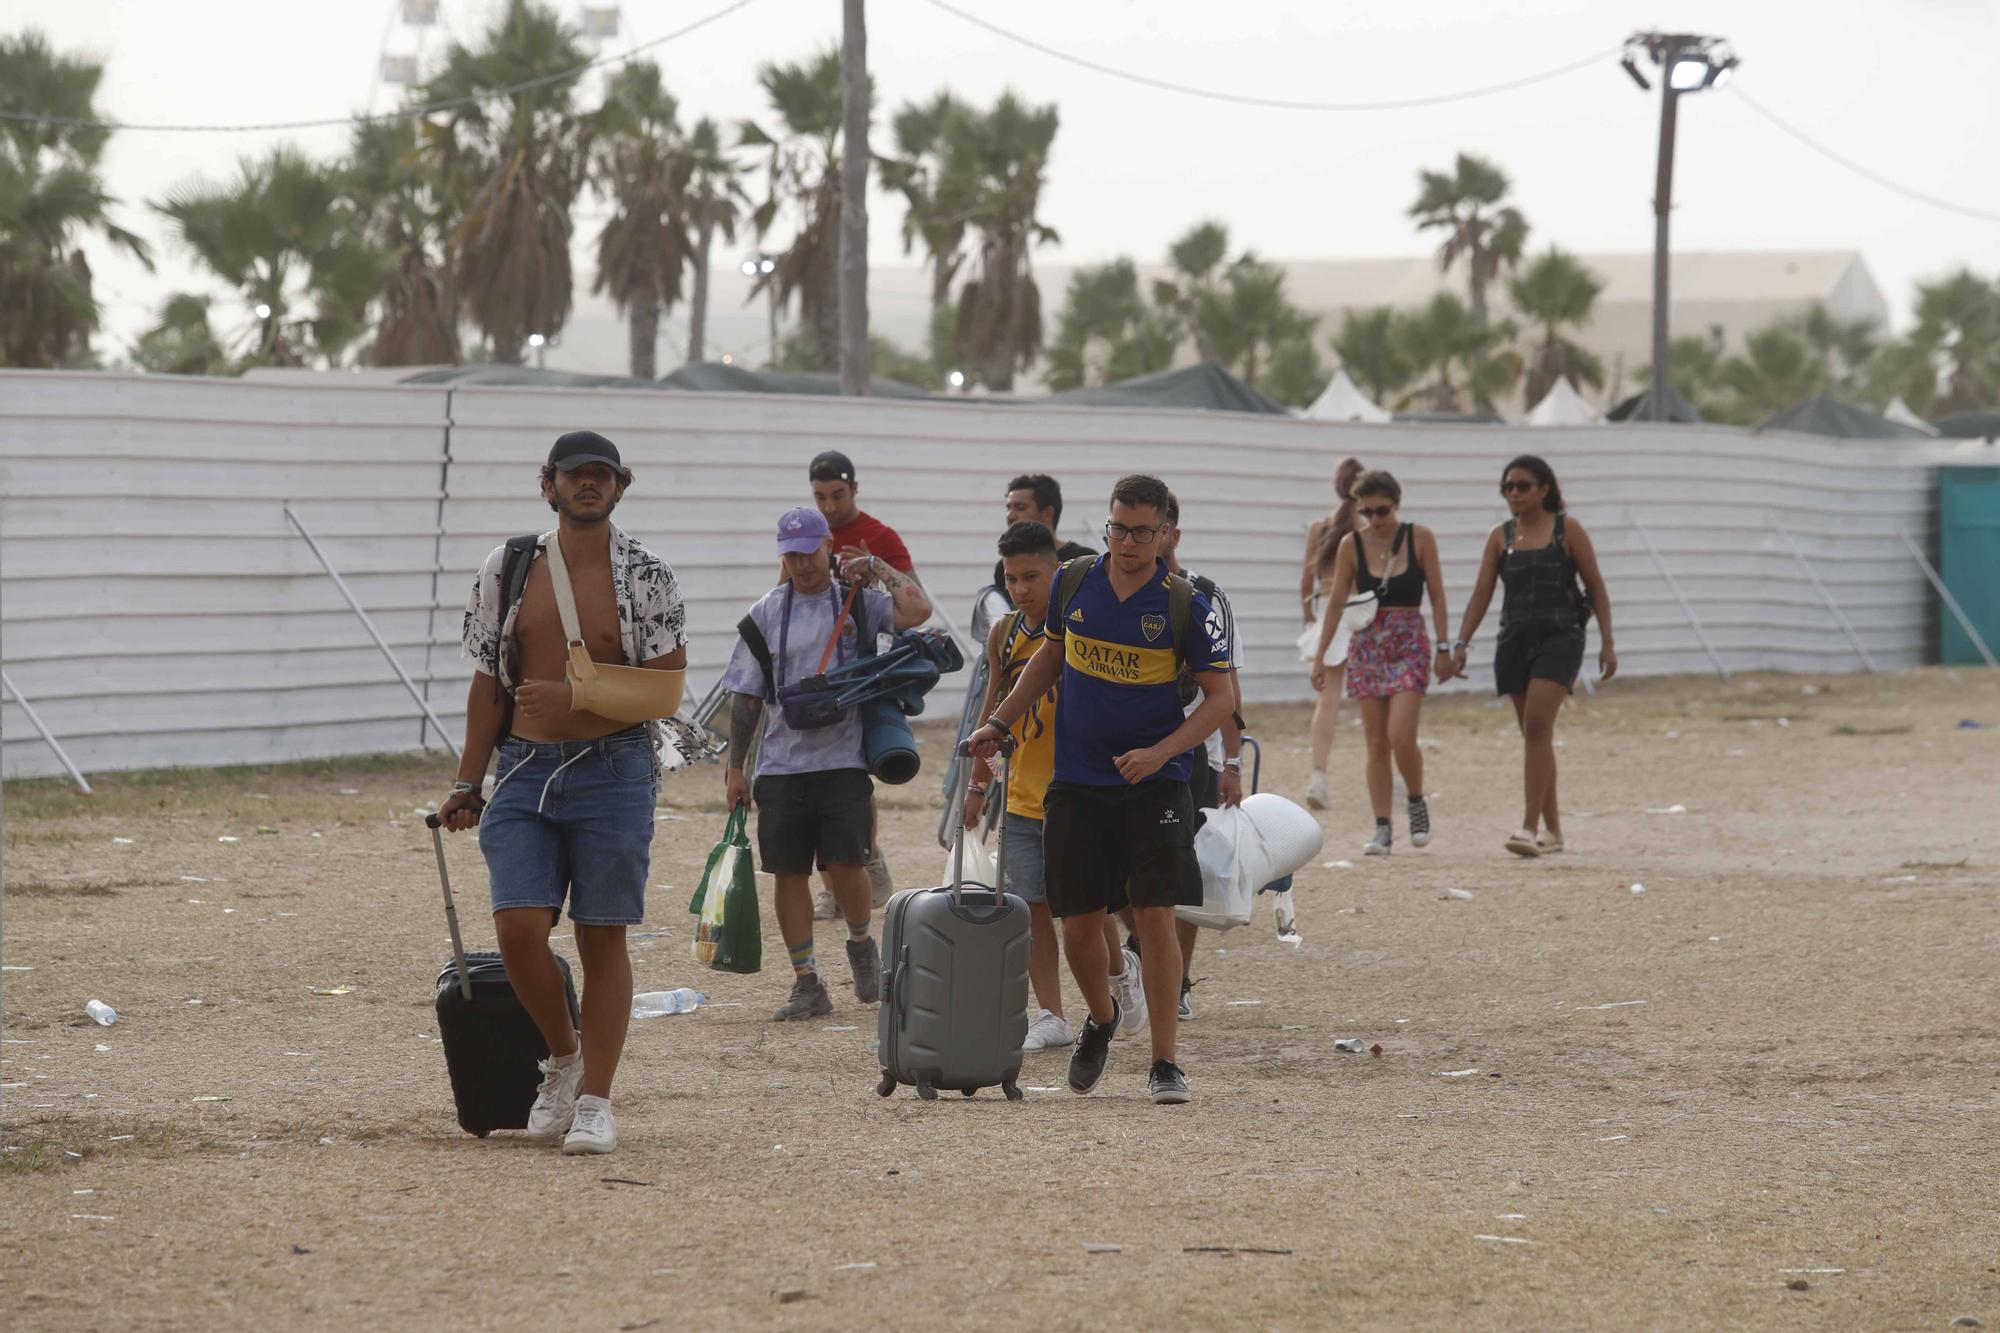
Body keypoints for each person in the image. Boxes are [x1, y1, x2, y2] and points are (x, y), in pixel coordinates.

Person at [438, 430, 688, 1156]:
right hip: (523, 767)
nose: (589, 485)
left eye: (601, 476)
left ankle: (597, 1101)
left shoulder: (647, 574)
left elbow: (664, 691)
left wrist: (577, 691)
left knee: (601, 934)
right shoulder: (508, 567)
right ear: (548, 483)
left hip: (614, 771)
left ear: (620, 485)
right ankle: (564, 1055)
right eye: (576, 475)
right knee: (517, 928)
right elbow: (489, 683)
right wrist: (466, 779)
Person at [967, 474, 1236, 1106]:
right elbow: (1051, 655)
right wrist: (1000, 722)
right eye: (1118, 528)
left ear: (1166, 533)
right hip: (1079, 781)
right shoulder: (1073, 580)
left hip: (1156, 783)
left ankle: (1165, 1062)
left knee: (1154, 916)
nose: (1128, 542)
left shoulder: (1185, 604)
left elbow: (1221, 698)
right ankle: (1103, 1018)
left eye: (1143, 532)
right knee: (1079, 925)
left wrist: (1164, 752)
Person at [720, 506, 932, 1021]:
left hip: (843, 759)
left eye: (809, 551)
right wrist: (735, 768)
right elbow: (747, 698)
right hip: (781, 765)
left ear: (827, 549)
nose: (801, 563)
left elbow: (916, 611)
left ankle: (861, 943)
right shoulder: (765, 613)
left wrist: (877, 566)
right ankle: (806, 981)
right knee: (787, 873)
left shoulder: (857, 602)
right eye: (790, 554)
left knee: (848, 864)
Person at [1448, 455, 1617, 857]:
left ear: (1544, 489)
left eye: (1523, 485)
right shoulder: (1499, 537)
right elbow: (1481, 594)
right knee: (1534, 738)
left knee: (1538, 726)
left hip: (1561, 637)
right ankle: (1554, 831)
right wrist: (1460, 644)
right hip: (1514, 640)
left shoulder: (1567, 530)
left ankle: (1527, 827)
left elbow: (1596, 586)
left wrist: (1607, 642)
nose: (1514, 493)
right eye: (1508, 486)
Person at [962, 521, 1073, 1053]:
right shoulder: (1003, 633)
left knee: (1085, 911)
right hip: (1024, 796)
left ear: (1058, 571)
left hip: (1078, 793)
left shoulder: (1079, 629)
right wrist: (976, 787)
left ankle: (1120, 977)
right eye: (1012, 578)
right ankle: (1051, 1015)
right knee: (1032, 909)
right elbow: (993, 708)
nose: (1022, 588)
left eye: (1032, 576)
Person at [1310, 470, 1453, 857]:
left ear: (1397, 503)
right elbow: (1336, 601)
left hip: (1409, 641)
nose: (1375, 519)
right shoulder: (1350, 545)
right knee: (1375, 742)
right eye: (1367, 511)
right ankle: (1383, 827)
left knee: (1400, 734)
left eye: (1382, 510)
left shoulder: (1419, 538)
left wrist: (1444, 646)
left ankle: (1416, 800)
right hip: (1368, 644)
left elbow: (1438, 596)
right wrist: (1322, 657)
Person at [806, 449, 916, 919]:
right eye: (819, 497)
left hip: (864, 673)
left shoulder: (880, 536)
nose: (829, 507)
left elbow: (913, 601)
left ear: (854, 489)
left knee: (852, 777)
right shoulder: (810, 533)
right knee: (810, 778)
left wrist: (875, 568)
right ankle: (835, 882)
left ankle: (866, 867)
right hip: (814, 675)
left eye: (837, 495)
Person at [1157, 490, 1246, 1023]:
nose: (1140, 541)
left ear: (1172, 533)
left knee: (1180, 870)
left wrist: (1232, 764)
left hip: (1195, 758)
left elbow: (1228, 686)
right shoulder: (1107, 590)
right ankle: (1147, 956)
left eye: (1154, 529)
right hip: (1128, 751)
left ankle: (1177, 979)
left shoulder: (1207, 597)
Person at [1298, 457, 1366, 810]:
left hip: (1328, 614)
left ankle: (1319, 777)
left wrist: (1311, 621)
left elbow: (1306, 585)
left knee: (1327, 700)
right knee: (1377, 699)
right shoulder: (1368, 528)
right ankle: (1395, 774)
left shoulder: (1319, 527)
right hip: (1361, 615)